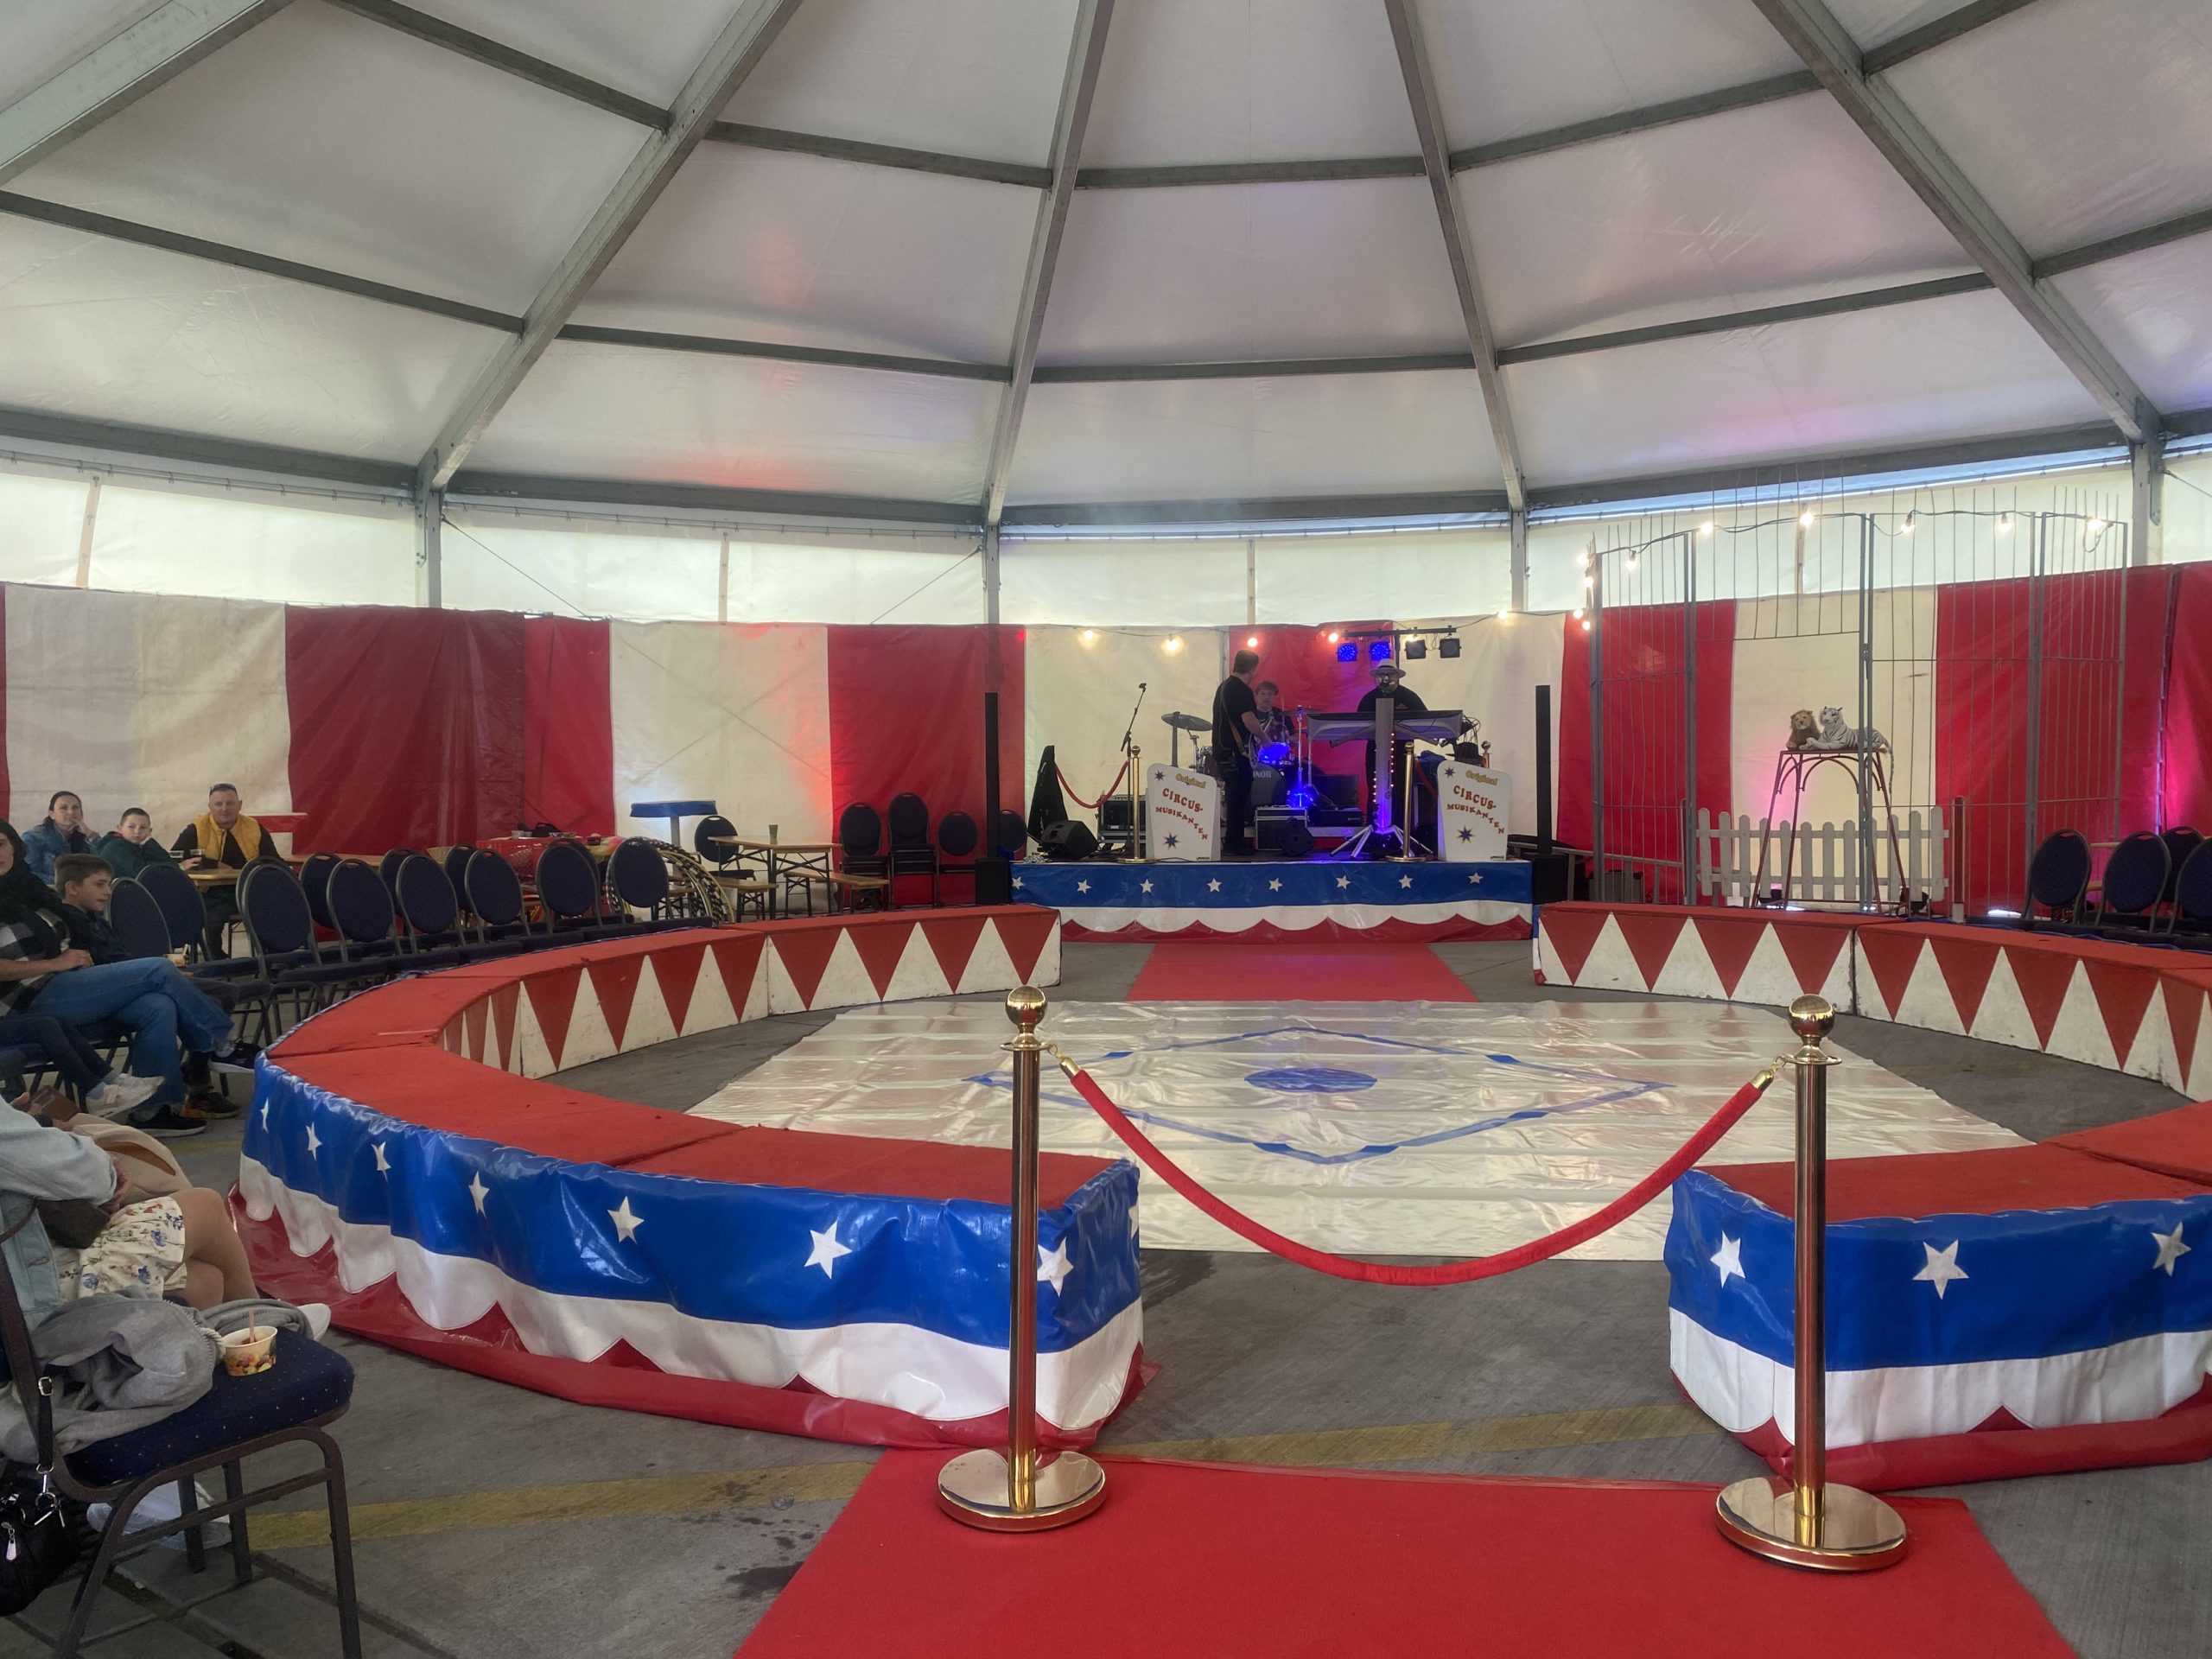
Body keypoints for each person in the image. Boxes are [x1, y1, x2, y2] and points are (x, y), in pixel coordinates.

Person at [0, 824, 254, 1140]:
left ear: (14, 846)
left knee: (157, 1005)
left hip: (65, 982)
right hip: (28, 998)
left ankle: (154, 1112)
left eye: (1, 843)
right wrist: (56, 963)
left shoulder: (26, 887)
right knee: (158, 970)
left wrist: (74, 960)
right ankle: (220, 1044)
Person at [169, 784, 279, 958]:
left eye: (230, 803)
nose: (224, 809)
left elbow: (273, 861)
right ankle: (217, 960)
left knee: (274, 904)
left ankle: (273, 959)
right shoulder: (196, 829)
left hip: (247, 890)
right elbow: (174, 860)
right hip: (209, 892)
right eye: (218, 804)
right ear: (210, 807)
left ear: (240, 805)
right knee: (205, 916)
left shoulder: (254, 828)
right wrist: (214, 864)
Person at [1356, 660, 1429, 823]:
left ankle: (1403, 827)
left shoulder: (1409, 697)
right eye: (1382, 674)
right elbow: (1357, 723)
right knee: (1375, 789)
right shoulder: (1369, 699)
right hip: (1375, 750)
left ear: (1397, 676)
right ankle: (1375, 827)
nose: (1386, 677)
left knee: (1402, 788)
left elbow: (1426, 720)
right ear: (1377, 677)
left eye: (1390, 674)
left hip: (1402, 751)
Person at [1211, 649, 1266, 857]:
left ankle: (1234, 841)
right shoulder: (1241, 690)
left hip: (1224, 750)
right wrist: (1266, 740)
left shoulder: (1224, 687)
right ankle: (1234, 843)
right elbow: (1248, 719)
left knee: (1235, 796)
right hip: (1234, 752)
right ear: (1253, 668)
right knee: (1239, 797)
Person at [22, 791, 95, 883]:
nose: (71, 812)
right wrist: (64, 883)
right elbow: (28, 874)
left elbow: (102, 866)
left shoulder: (85, 838)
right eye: (63, 808)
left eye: (75, 808)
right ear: (52, 814)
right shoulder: (34, 837)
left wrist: (91, 835)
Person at [93, 807, 176, 880]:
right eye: (131, 827)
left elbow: (173, 867)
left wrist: (150, 843)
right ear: (120, 829)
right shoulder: (116, 846)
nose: (137, 831)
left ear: (149, 831)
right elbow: (143, 873)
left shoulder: (142, 846)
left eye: (143, 827)